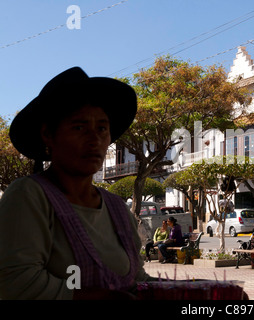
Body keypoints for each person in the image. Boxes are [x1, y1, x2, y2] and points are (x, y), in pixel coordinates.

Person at [0, 67, 151, 299]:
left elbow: (137, 280)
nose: (95, 139)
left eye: (102, 128)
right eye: (79, 127)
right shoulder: (29, 195)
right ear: (48, 135)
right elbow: (16, 283)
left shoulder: (117, 208)